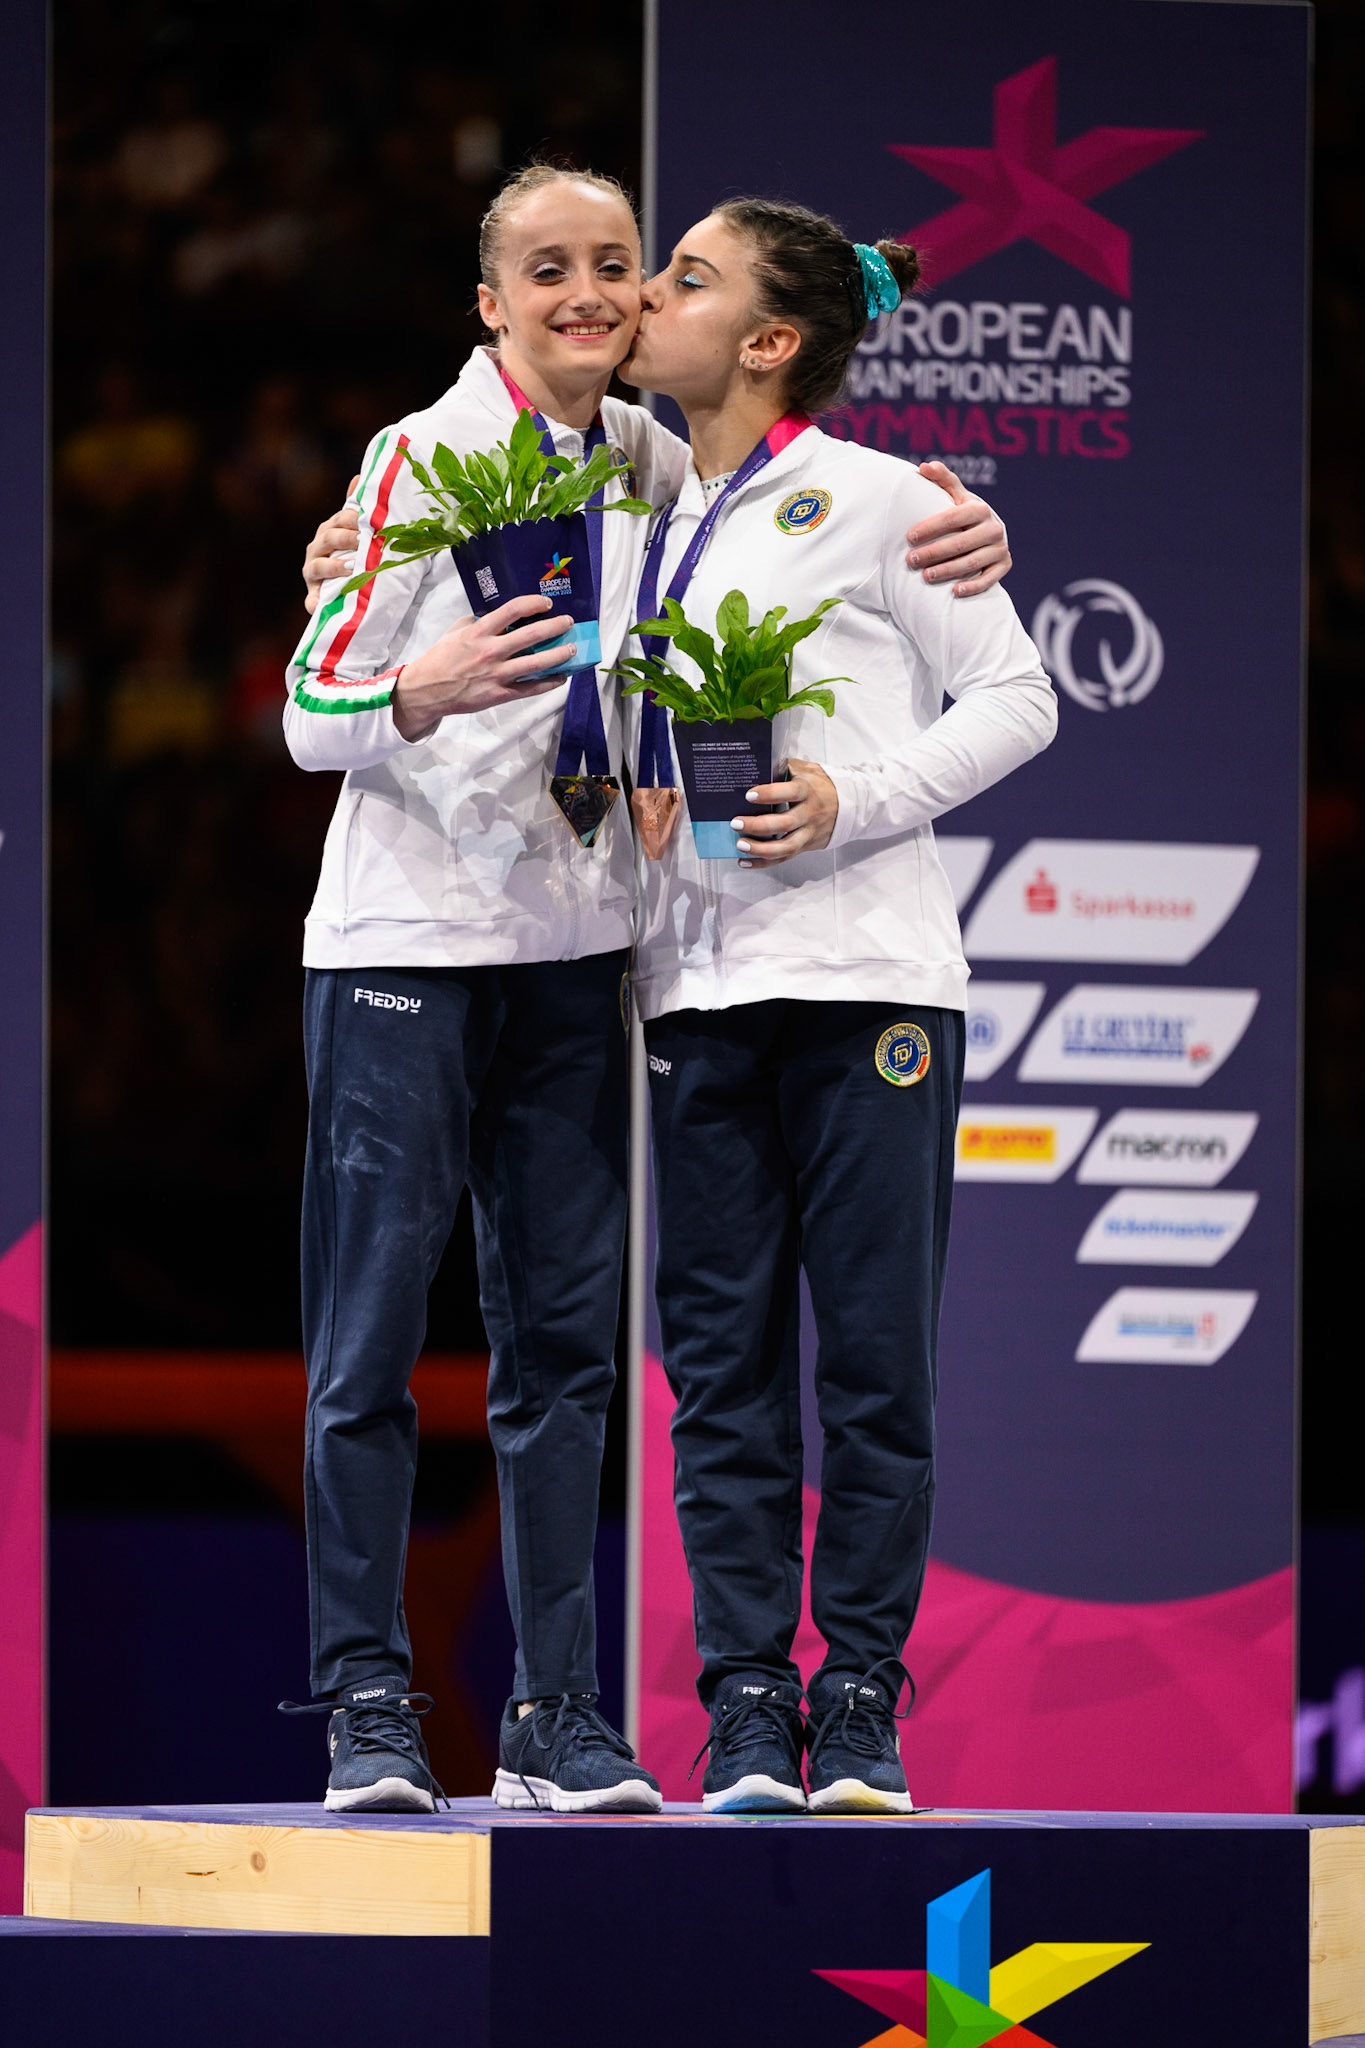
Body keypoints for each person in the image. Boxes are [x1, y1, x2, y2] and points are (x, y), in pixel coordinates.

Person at [286, 162, 1012, 1816]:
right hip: (402, 947)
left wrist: (950, 509)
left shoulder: (655, 466)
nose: (593, 294)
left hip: (576, 957)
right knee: (367, 1355)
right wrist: (417, 682)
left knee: (567, 1361)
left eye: (620, 265)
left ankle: (556, 1716)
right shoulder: (413, 457)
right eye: (551, 269)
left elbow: (813, 497)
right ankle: (366, 1702)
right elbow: (307, 711)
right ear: (491, 302)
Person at [615, 200, 1057, 1814]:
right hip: (694, 989)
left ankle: (857, 1697)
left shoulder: (880, 502)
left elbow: (1021, 695)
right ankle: (744, 1703)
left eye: (684, 279)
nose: (646, 297)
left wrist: (853, 798)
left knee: (873, 1363)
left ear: (768, 340)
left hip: (869, 977)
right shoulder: (637, 504)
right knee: (717, 1367)